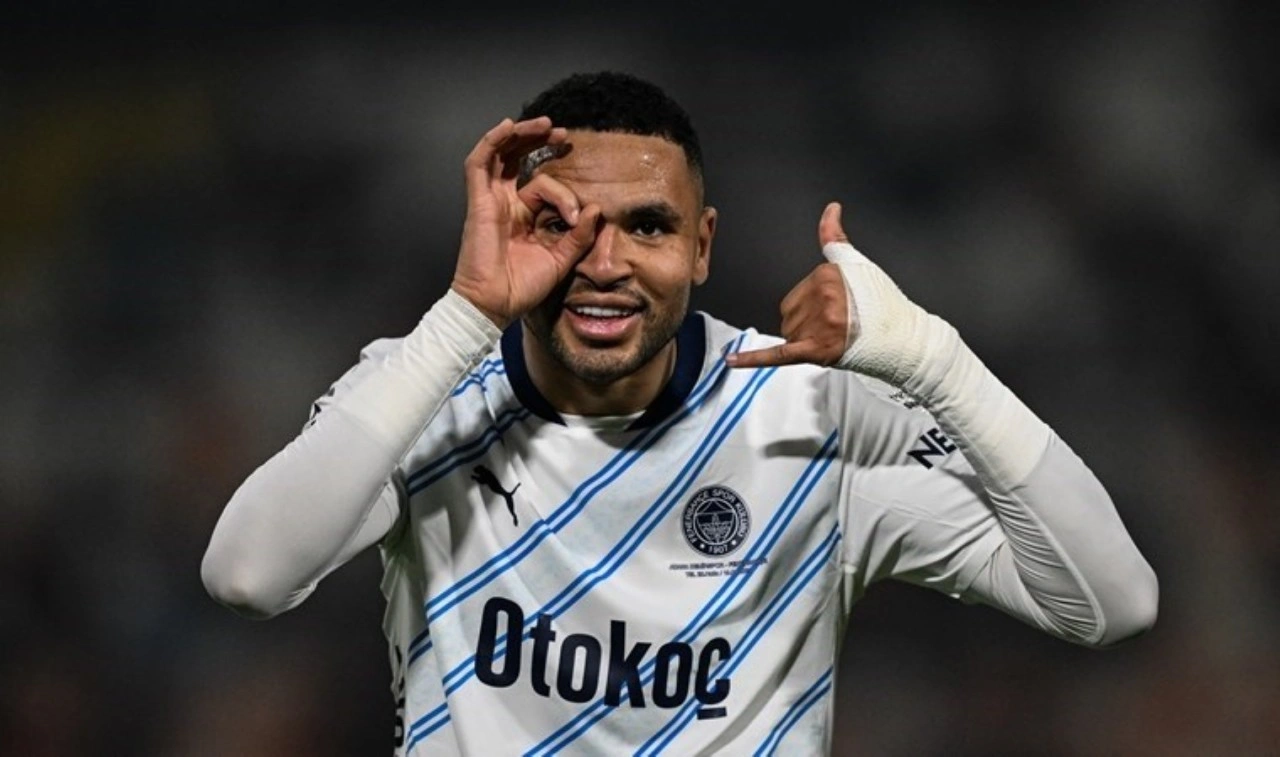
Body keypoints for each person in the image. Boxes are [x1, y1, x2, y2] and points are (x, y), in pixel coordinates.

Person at [201, 70, 1158, 756]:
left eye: (648, 226)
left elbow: (1112, 603)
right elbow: (248, 574)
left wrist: (934, 360)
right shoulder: (426, 388)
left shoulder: (807, 411)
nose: (605, 263)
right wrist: (465, 314)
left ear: (701, 247)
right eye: (561, 224)